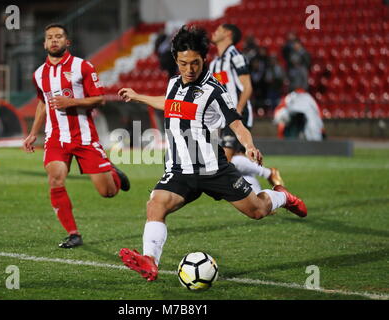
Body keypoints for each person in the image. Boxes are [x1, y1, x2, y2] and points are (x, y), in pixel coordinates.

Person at [117, 25, 307, 282]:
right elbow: (169, 104)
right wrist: (138, 96)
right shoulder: (174, 82)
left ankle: (282, 197)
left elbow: (237, 124)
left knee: (257, 210)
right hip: (179, 170)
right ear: (176, 60)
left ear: (203, 59)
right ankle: (150, 261)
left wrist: (249, 146)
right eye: (184, 63)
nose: (189, 69)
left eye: (195, 63)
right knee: (155, 205)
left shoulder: (215, 91)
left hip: (212, 169)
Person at [23, 23, 130, 249]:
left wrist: (71, 102)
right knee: (55, 178)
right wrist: (33, 133)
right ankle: (73, 234)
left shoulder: (83, 66)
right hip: (55, 139)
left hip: (84, 138)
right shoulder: (39, 74)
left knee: (108, 193)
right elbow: (43, 103)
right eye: (49, 37)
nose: (54, 40)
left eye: (59, 37)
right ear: (44, 44)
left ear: (67, 42)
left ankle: (113, 173)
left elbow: (100, 98)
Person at [209, 24, 284, 191]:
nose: (214, 32)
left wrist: (238, 110)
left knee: (225, 161)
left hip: (237, 115)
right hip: (223, 119)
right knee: (237, 160)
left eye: (219, 29)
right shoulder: (214, 64)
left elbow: (247, 86)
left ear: (228, 34)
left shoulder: (235, 56)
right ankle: (260, 198)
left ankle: (267, 173)